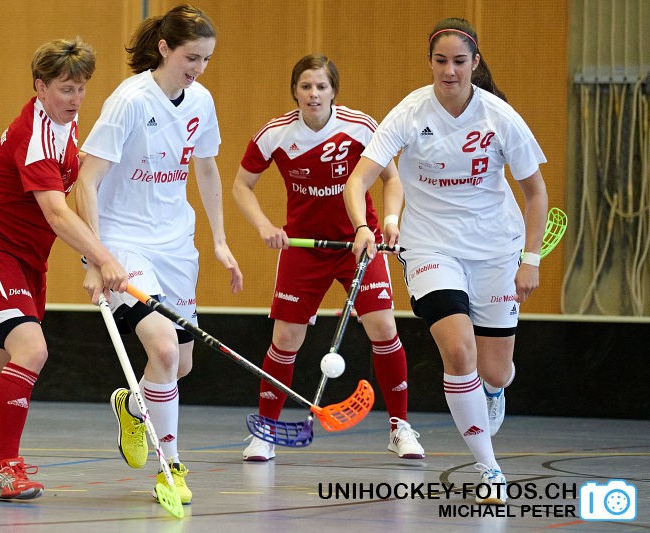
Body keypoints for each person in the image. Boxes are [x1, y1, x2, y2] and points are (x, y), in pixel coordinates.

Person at [344, 18, 549, 505]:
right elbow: (359, 181)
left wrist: (531, 258)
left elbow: (536, 193)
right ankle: (488, 466)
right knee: (459, 353)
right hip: (432, 247)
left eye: (460, 62)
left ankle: (495, 393)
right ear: (430, 63)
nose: (450, 71)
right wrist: (363, 226)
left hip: (497, 249)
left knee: (495, 372)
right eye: (441, 62)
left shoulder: (499, 116)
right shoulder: (411, 113)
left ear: (475, 63)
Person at [0, 38, 130, 500]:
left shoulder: (68, 123)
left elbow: (77, 184)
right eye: (65, 89)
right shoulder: (34, 133)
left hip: (27, 260)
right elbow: (57, 214)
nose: (75, 99)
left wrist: (93, 258)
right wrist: (103, 258)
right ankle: (8, 470)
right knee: (32, 350)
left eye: (81, 88)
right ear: (40, 87)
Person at [75, 4, 243, 505]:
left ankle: (133, 406)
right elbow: (87, 178)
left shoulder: (202, 101)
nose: (198, 68)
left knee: (180, 365)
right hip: (126, 243)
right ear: (165, 49)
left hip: (176, 244)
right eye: (191, 57)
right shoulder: (129, 100)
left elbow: (207, 170)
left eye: (207, 59)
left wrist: (218, 241)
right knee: (164, 350)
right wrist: (95, 256)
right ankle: (170, 468)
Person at [232, 54, 425, 463]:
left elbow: (391, 178)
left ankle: (400, 428)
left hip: (359, 245)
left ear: (334, 90)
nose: (313, 94)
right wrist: (265, 226)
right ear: (295, 91)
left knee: (383, 327)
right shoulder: (276, 133)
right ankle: (265, 432)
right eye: (305, 86)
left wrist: (390, 218)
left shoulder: (360, 127)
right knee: (285, 339)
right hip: (304, 250)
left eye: (321, 86)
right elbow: (241, 185)